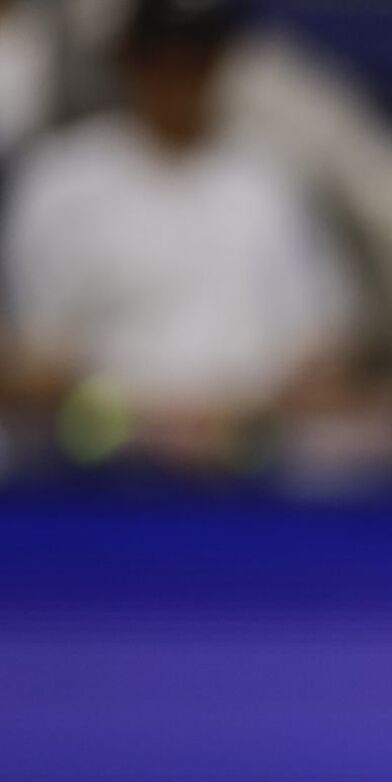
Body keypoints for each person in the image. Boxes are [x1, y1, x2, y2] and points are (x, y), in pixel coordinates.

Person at [0, 0, 363, 475]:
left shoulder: (274, 182)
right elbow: (30, 354)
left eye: (196, 58)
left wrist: (238, 412)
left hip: (250, 462)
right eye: (162, 58)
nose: (179, 76)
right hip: (95, 466)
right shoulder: (62, 181)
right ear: (129, 59)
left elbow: (324, 345)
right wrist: (140, 415)